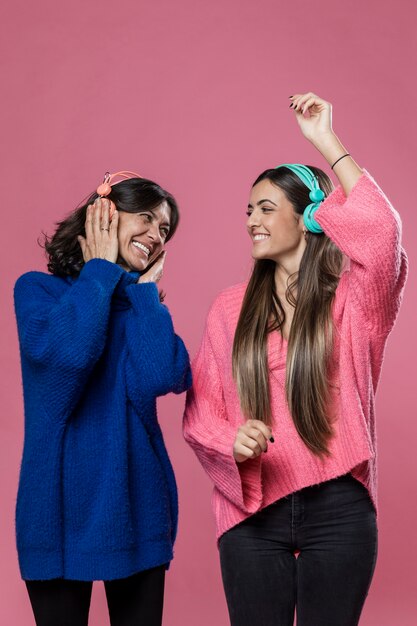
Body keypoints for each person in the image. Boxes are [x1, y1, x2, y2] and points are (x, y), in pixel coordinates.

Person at [183, 93, 408, 626]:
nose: (251, 221)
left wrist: (327, 143)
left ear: (309, 216)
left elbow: (382, 238)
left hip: (339, 509)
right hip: (251, 511)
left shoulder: (354, 300)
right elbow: (200, 415)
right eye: (247, 211)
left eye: (265, 208)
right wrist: (230, 442)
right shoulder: (228, 309)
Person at [14, 171, 192, 626]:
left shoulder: (140, 307)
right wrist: (100, 270)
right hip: (55, 515)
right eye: (147, 219)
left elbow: (164, 376)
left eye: (165, 230)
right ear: (104, 215)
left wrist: (147, 294)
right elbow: (70, 358)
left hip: (137, 507)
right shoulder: (36, 291)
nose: (155, 236)